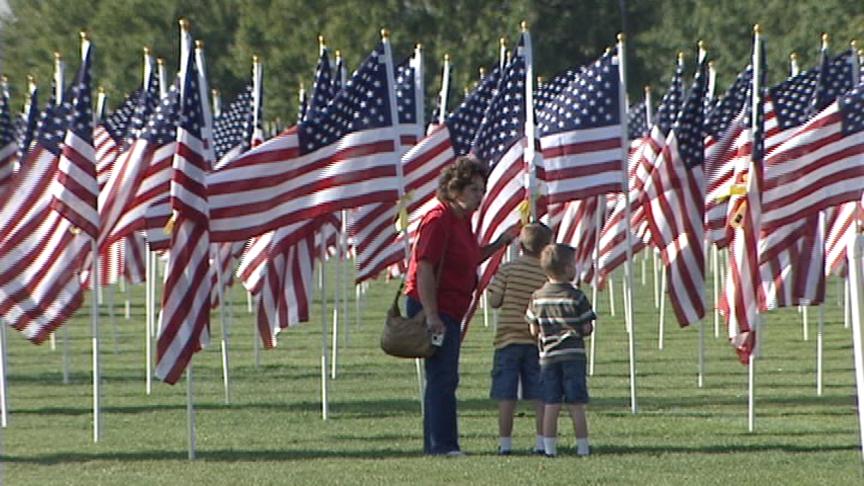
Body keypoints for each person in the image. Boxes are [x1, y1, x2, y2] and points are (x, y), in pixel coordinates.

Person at [403, 155, 514, 456]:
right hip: (434, 308)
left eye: (482, 189)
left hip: (451, 308)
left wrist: (500, 242)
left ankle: (438, 443)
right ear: (455, 189)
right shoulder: (438, 219)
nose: (480, 196)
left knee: (445, 376)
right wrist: (431, 314)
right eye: (475, 190)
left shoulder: (462, 221)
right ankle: (442, 446)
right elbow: (424, 267)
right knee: (442, 377)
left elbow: (469, 257)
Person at [486, 222, 553, 456]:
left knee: (506, 395)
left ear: (521, 246)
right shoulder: (546, 274)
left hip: (507, 340)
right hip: (537, 341)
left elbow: (494, 301)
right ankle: (541, 441)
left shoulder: (508, 269)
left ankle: (505, 444)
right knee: (539, 395)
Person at [526, 243, 596, 458]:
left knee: (551, 404)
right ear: (567, 269)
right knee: (576, 404)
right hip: (573, 355)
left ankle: (549, 449)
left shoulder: (537, 297)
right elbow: (587, 327)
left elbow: (533, 329)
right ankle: (582, 447)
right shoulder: (577, 297)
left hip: (548, 357)